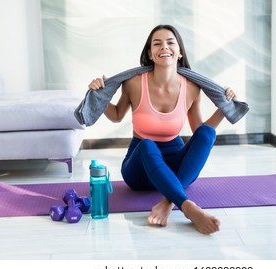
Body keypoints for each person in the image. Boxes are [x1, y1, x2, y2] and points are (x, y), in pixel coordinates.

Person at [88, 24, 236, 234]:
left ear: (180, 52)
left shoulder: (192, 87)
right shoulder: (133, 83)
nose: (164, 47)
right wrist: (99, 95)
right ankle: (189, 208)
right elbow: (116, 115)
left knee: (207, 132)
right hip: (139, 165)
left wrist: (224, 108)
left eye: (170, 42)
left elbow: (199, 131)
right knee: (148, 144)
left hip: (175, 166)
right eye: (157, 43)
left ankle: (168, 202)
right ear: (150, 54)